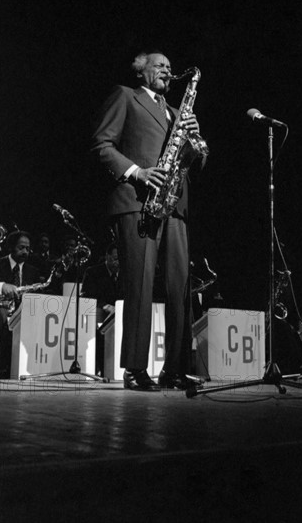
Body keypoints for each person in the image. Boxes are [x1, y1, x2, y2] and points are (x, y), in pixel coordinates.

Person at [91, 49, 207, 391]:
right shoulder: (125, 96)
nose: (168, 71)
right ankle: (134, 369)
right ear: (141, 71)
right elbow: (102, 145)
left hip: (174, 205)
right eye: (160, 65)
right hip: (138, 201)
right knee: (139, 286)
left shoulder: (178, 113)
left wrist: (196, 142)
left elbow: (197, 161)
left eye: (171, 67)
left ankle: (174, 368)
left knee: (180, 289)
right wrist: (138, 171)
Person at [0, 230, 40, 378]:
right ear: (11, 247)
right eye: (21, 247)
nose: (25, 252)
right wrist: (1, 285)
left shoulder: (33, 271)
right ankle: (8, 365)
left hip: (22, 313)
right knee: (2, 315)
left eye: (28, 249)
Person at [81, 243, 121, 375]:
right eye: (115, 258)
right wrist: (106, 306)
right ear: (107, 256)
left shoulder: (126, 274)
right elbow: (87, 296)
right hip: (98, 318)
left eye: (120, 259)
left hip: (119, 319)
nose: (118, 263)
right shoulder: (93, 272)